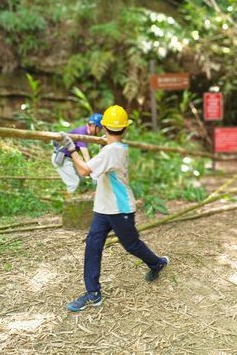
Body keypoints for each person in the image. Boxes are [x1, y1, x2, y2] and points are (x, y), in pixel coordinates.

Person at [58, 105, 169, 312]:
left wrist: (70, 149)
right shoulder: (114, 148)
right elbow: (97, 162)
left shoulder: (111, 151)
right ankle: (93, 293)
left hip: (120, 209)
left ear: (104, 127)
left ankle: (157, 263)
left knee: (131, 245)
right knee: (93, 244)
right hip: (103, 207)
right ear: (125, 129)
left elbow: (83, 170)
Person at [51, 113, 103, 193]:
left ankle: (71, 197)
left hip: (68, 158)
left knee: (81, 179)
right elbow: (86, 155)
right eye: (99, 128)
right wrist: (93, 173)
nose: (99, 131)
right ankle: (68, 202)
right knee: (73, 183)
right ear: (93, 125)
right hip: (62, 158)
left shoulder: (84, 132)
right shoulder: (82, 132)